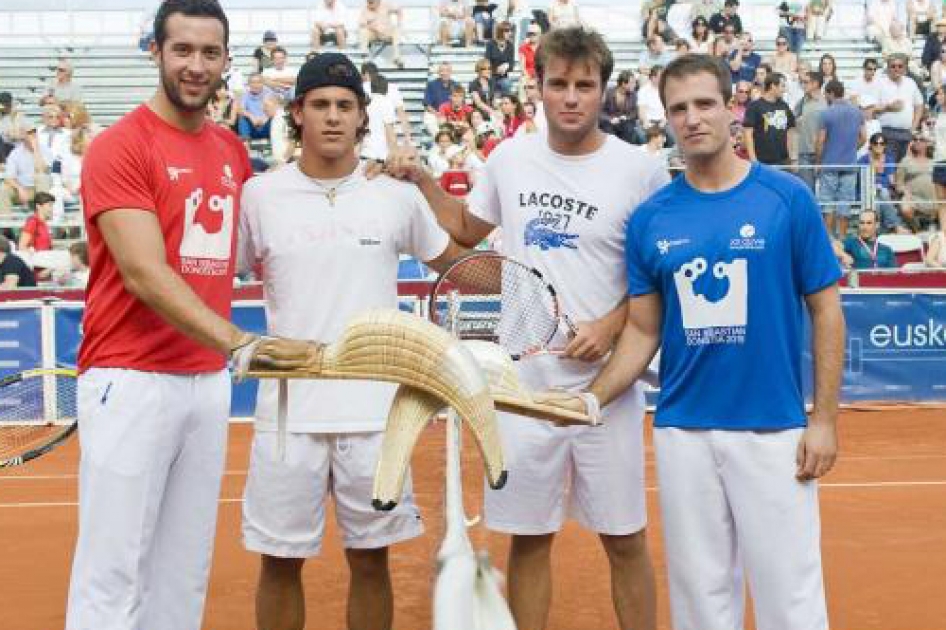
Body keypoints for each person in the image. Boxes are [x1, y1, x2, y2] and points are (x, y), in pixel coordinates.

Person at [383, 25, 667, 630]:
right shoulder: (510, 158)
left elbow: (657, 274)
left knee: (625, 540)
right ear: (537, 89)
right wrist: (422, 181)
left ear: (603, 92)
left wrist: (613, 323)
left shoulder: (639, 170)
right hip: (522, 389)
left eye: (584, 85)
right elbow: (465, 230)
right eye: (558, 84)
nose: (571, 97)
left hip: (607, 393)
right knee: (530, 541)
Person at [561, 52, 844, 630]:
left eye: (704, 104)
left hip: (773, 432)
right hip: (683, 432)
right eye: (678, 109)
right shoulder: (651, 219)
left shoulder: (786, 199)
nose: (692, 118)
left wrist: (825, 421)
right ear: (666, 119)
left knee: (790, 599)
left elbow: (827, 310)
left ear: (732, 108)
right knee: (700, 601)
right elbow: (641, 331)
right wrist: (589, 399)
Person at [63, 2, 312, 629]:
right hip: (131, 380)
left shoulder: (230, 150)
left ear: (227, 59)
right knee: (111, 576)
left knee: (182, 577)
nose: (196, 66)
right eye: (183, 50)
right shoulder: (119, 147)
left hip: (205, 385)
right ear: (156, 51)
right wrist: (240, 342)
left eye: (209, 53)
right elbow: (145, 273)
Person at [238, 51, 464, 630]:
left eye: (345, 105)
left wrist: (433, 185)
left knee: (370, 563)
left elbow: (464, 269)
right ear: (298, 113)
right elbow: (212, 282)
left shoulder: (395, 195)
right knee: (280, 564)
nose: (333, 117)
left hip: (375, 413)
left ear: (363, 116)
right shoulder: (260, 197)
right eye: (320, 105)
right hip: (288, 413)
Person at [817, 79, 865, 238]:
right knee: (845, 203)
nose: (825, 97)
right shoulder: (857, 112)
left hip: (830, 164)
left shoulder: (826, 113)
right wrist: (852, 149)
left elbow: (821, 141)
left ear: (831, 93)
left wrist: (818, 162)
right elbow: (864, 138)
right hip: (850, 163)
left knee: (828, 203)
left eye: (826, 94)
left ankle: (829, 239)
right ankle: (843, 239)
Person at [877, 53, 924, 165]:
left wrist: (914, 126)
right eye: (893, 66)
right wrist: (888, 107)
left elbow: (919, 104)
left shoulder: (910, 83)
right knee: (890, 168)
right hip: (886, 132)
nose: (896, 69)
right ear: (888, 68)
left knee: (904, 169)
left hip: (906, 133)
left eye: (900, 66)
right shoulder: (880, 83)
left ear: (905, 68)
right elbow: (871, 109)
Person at [743, 72, 796, 166]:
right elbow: (748, 134)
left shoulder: (784, 105)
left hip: (783, 160)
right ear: (772, 86)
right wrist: (753, 159)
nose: (784, 90)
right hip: (762, 161)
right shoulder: (754, 106)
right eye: (782, 86)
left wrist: (792, 157)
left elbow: (791, 131)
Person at [794, 70, 826, 191]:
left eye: (806, 82)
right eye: (802, 82)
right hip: (804, 153)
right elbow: (792, 118)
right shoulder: (802, 101)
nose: (803, 85)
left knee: (825, 193)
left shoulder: (826, 102)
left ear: (816, 84)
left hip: (823, 153)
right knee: (807, 190)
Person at [358, 0, 404, 68]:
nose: (369, 3)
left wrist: (399, 23)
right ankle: (364, 55)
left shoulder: (386, 5)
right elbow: (361, 24)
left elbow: (399, 9)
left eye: (371, 2)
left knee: (396, 30)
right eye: (368, 2)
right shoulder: (364, 9)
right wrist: (372, 27)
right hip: (374, 34)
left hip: (387, 33)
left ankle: (396, 58)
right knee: (363, 31)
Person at [422, 61, 460, 138]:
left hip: (451, 114)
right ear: (438, 72)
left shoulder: (456, 85)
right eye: (442, 71)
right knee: (430, 120)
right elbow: (427, 105)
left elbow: (460, 103)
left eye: (447, 71)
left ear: (451, 72)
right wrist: (438, 114)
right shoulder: (431, 85)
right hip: (434, 113)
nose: (444, 73)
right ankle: (440, 140)